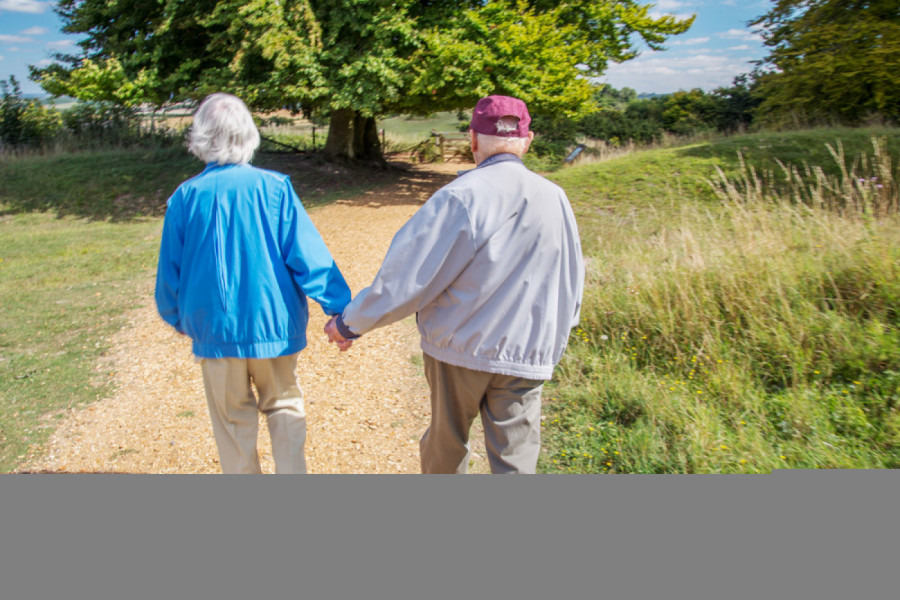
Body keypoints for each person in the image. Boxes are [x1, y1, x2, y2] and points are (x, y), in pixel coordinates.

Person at [325, 95, 584, 473]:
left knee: (446, 449)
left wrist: (351, 323)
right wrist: (556, 333)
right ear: (528, 141)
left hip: (458, 350)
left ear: (473, 139)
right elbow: (571, 277)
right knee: (516, 460)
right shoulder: (555, 198)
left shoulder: (461, 197)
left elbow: (407, 278)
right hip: (527, 354)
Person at [155, 93, 352, 474]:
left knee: (232, 424)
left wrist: (178, 317)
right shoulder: (275, 189)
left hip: (216, 332)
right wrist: (341, 311)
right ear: (248, 134)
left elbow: (170, 273)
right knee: (285, 409)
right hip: (274, 327)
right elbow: (310, 258)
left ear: (201, 137)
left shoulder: (185, 197)